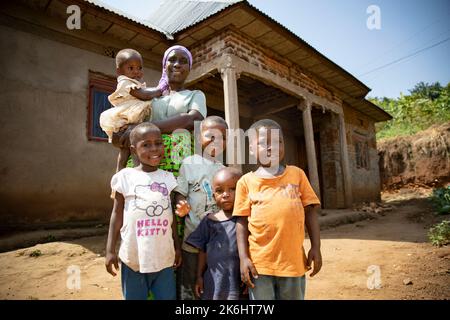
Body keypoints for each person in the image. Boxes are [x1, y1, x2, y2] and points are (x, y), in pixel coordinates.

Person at [111, 45, 207, 239]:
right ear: (164, 66)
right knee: (143, 209)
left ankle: (175, 259)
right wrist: (120, 134)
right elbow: (127, 124)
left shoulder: (195, 95)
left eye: (183, 61)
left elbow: (192, 119)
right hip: (145, 161)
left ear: (189, 68)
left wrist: (146, 128)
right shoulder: (150, 97)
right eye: (172, 60)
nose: (177, 64)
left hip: (178, 161)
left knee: (176, 207)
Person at [233, 119, 322, 300]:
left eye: (277, 141)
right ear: (251, 149)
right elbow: (241, 222)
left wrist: (316, 246)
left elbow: (310, 212)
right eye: (263, 143)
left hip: (293, 263)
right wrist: (243, 258)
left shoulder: (297, 175)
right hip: (260, 265)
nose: (271, 147)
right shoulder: (246, 182)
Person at [104, 122, 182, 300]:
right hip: (133, 258)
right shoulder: (125, 177)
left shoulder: (168, 178)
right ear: (133, 150)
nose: (154, 149)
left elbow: (171, 218)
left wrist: (176, 247)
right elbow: (116, 214)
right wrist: (110, 250)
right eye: (146, 145)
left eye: (158, 143)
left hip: (164, 257)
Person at [172, 116, 228, 300]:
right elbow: (180, 192)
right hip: (192, 238)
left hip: (217, 241)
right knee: (189, 286)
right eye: (210, 136)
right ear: (198, 138)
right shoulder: (189, 163)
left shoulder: (223, 170)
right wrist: (181, 204)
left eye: (222, 137)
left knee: (212, 284)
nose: (216, 141)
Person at [100, 48, 167, 172]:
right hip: (127, 120)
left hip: (130, 120)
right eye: (131, 68)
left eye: (140, 68)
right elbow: (145, 95)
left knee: (127, 150)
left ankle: (121, 175)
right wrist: (160, 89)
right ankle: (128, 175)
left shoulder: (133, 82)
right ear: (119, 71)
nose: (136, 71)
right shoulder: (126, 83)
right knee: (131, 149)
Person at [185, 167, 244, 300]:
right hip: (213, 282)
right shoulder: (209, 221)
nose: (225, 194)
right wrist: (199, 276)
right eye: (219, 191)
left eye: (232, 189)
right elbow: (202, 251)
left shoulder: (246, 220)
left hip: (238, 282)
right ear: (213, 196)